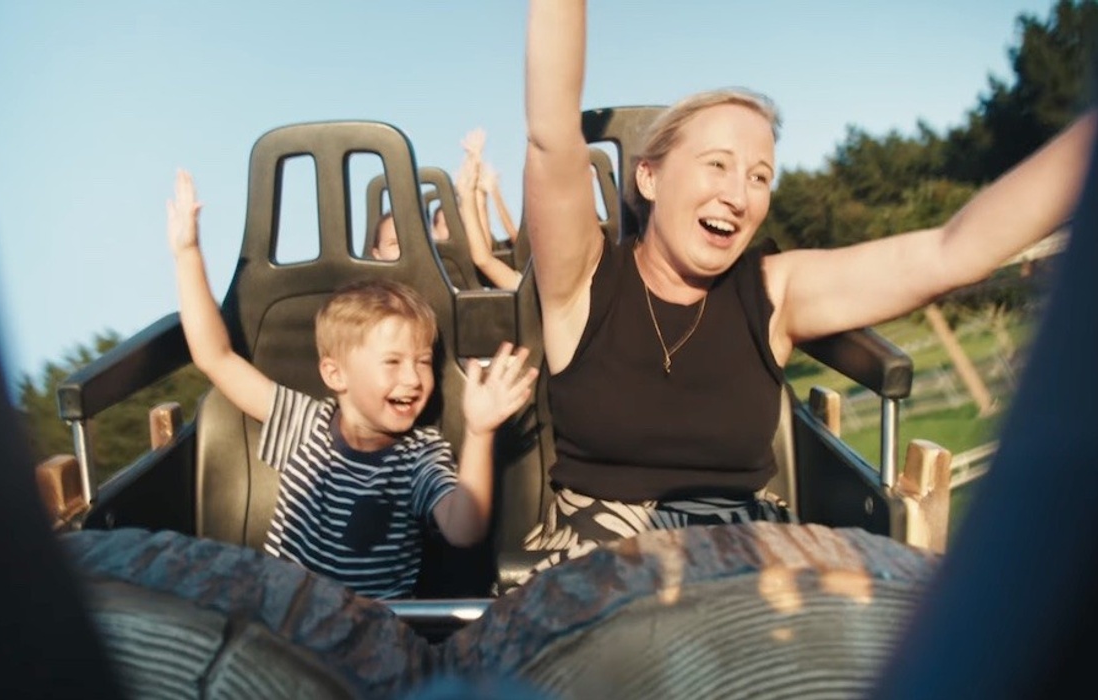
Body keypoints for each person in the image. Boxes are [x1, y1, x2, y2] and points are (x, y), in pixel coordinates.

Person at [519, 0, 1096, 568]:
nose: (738, 195)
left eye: (759, 176)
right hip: (603, 562)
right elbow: (550, 133)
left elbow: (953, 251)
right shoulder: (583, 279)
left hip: (747, 562)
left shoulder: (775, 290)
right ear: (648, 175)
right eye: (717, 164)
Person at [166, 168, 538, 599]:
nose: (413, 378)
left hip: (372, 630)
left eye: (421, 362)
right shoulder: (303, 422)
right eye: (393, 362)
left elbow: (463, 529)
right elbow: (215, 358)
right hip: (290, 618)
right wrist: (187, 254)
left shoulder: (418, 457)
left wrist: (478, 432)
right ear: (334, 374)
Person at [455, 128, 523, 291]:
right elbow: (483, 259)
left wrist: (491, 192)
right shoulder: (542, 286)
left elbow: (516, 237)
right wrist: (470, 193)